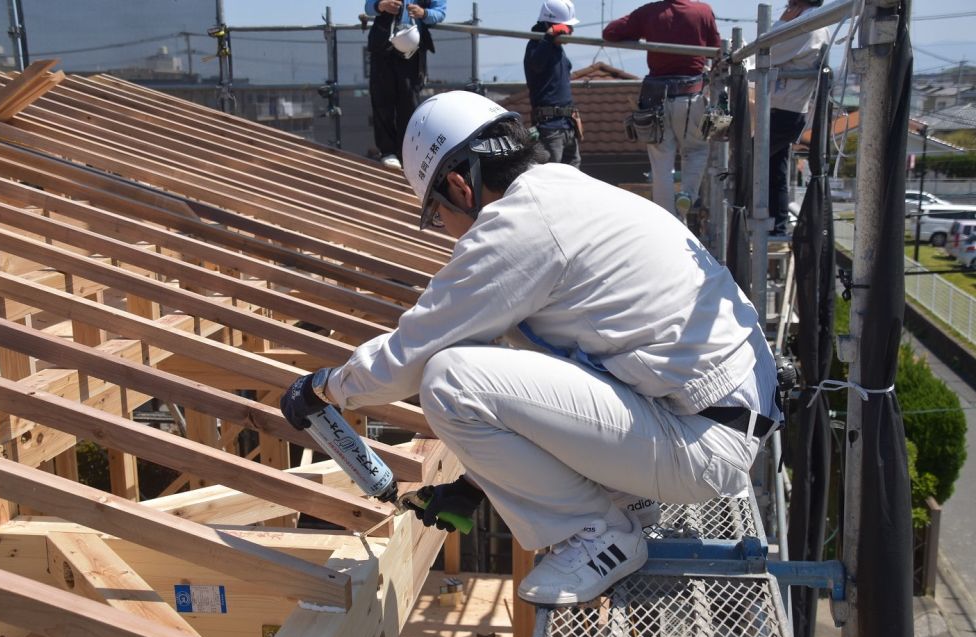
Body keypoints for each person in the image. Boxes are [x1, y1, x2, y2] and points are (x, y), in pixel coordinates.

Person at [281, 91, 781, 606]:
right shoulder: (564, 192)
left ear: (460, 185)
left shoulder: (519, 225)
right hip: (717, 417)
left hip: (700, 443)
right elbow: (547, 377)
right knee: (511, 345)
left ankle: (599, 534)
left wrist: (324, 388)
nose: (444, 230)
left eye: (436, 214)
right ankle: (624, 500)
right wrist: (476, 485)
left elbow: (409, 356)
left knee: (449, 378)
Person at [603, 0, 721, 219]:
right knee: (695, 149)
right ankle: (687, 194)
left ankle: (667, 218)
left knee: (661, 163)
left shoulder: (649, 12)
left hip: (655, 98)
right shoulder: (702, 11)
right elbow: (716, 51)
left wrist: (642, 33)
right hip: (691, 95)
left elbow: (610, 32)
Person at [768, 0, 830, 235]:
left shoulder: (806, 24)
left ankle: (762, 218)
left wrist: (782, 22)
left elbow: (767, 50)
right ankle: (777, 223)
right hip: (791, 109)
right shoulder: (816, 20)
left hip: (784, 110)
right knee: (775, 168)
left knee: (752, 160)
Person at [364, 0, 447, 170]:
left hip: (412, 50)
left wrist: (423, 13)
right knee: (382, 100)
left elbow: (440, 13)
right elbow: (368, 7)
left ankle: (406, 152)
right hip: (382, 47)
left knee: (409, 103)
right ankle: (388, 152)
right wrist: (381, 5)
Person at [524, 0, 582, 168]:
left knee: (573, 176)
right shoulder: (536, 45)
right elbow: (537, 64)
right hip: (550, 127)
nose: (570, 31)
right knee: (551, 174)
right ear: (552, 25)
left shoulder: (556, 49)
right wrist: (548, 37)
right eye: (566, 27)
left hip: (567, 125)